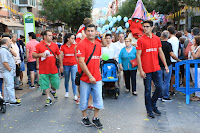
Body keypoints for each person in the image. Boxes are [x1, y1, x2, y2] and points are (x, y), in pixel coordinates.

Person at [136, 20, 169, 118]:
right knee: (147, 90)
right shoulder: (141, 40)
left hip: (156, 68)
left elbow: (161, 53)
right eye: (144, 27)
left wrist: (166, 65)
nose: (145, 28)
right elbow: (138, 55)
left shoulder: (157, 39)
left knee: (160, 88)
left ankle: (153, 104)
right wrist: (141, 70)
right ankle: (149, 110)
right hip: (146, 70)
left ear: (151, 27)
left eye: (147, 26)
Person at [76, 24, 103, 128]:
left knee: (98, 99)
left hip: (97, 78)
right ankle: (84, 117)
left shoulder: (98, 44)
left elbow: (98, 59)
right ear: (85, 32)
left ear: (95, 32)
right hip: (85, 78)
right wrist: (90, 76)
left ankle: (96, 118)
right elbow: (81, 62)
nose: (90, 33)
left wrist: (95, 75)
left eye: (92, 31)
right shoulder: (81, 44)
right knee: (84, 99)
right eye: (88, 31)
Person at [32, 30, 63, 106]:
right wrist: (40, 55)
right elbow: (33, 54)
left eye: (51, 35)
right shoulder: (39, 45)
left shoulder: (55, 45)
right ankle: (48, 97)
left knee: (55, 83)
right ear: (45, 36)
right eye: (49, 35)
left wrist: (61, 65)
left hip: (54, 68)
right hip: (43, 69)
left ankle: (53, 90)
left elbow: (59, 55)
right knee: (45, 84)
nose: (51, 37)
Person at [159, 31, 181, 102]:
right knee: (166, 81)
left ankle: (159, 95)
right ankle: (165, 96)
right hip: (167, 64)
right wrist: (177, 59)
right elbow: (172, 54)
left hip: (159, 64)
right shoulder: (168, 44)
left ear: (162, 36)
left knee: (160, 80)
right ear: (168, 36)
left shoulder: (159, 44)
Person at [0, 36, 20, 105]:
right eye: (10, 41)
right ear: (6, 42)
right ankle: (12, 100)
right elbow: (4, 62)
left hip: (7, 71)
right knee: (10, 86)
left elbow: (15, 54)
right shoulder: (3, 50)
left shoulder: (6, 49)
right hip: (7, 71)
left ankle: (6, 100)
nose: (11, 42)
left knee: (6, 86)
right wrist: (10, 69)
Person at [60, 33, 78, 100]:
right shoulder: (63, 47)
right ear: (68, 39)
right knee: (66, 79)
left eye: (74, 38)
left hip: (73, 65)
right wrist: (61, 66)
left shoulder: (75, 46)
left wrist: (78, 65)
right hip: (66, 65)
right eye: (72, 38)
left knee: (73, 79)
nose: (73, 40)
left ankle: (74, 94)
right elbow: (61, 57)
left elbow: (76, 56)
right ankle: (67, 91)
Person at [167, 26, 179, 96]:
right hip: (175, 59)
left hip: (170, 59)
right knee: (173, 75)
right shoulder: (176, 39)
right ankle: (172, 89)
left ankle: (170, 89)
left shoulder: (169, 40)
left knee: (169, 75)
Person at [190, 36, 200, 101]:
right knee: (194, 80)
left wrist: (192, 51)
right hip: (192, 66)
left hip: (198, 66)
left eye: (194, 39)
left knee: (198, 81)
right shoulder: (195, 47)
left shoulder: (199, 48)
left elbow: (195, 56)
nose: (193, 40)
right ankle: (196, 94)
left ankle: (198, 95)